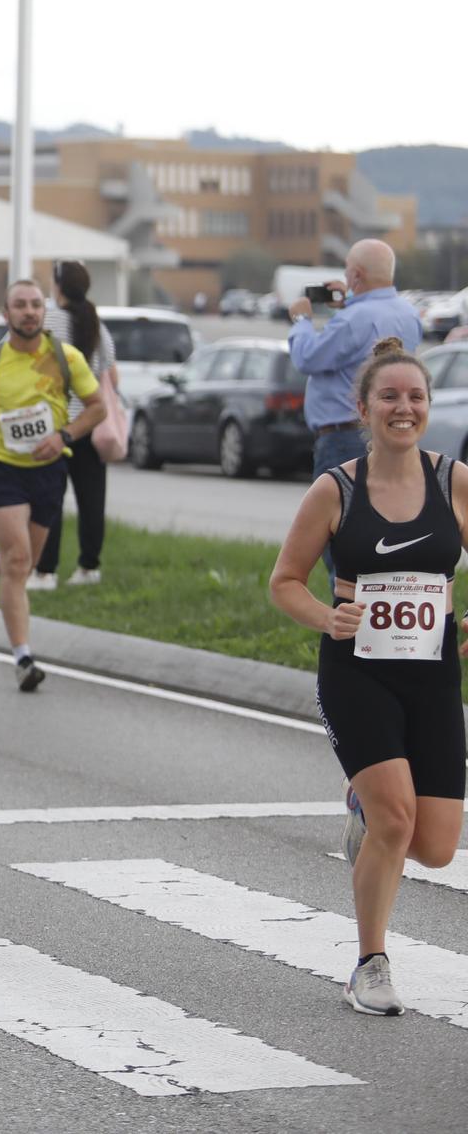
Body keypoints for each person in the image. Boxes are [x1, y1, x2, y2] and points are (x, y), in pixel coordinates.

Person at [268, 337, 464, 1017]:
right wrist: (328, 616)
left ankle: (362, 802)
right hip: (358, 673)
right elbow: (284, 581)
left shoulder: (453, 481)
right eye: (389, 396)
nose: (403, 408)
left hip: (435, 673)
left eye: (415, 397)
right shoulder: (337, 488)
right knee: (396, 819)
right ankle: (369, 964)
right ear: (363, 408)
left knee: (436, 846)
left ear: (428, 407)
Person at [0, 279, 105, 693]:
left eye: (36, 305)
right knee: (19, 561)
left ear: (44, 312)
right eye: (21, 305)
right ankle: (23, 657)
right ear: (6, 313)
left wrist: (64, 436)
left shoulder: (66, 358)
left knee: (23, 564)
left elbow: (97, 407)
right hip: (2, 470)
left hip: (49, 470)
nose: (30, 312)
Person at [287, 239, 423, 581]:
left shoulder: (354, 318)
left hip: (342, 436)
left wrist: (303, 319)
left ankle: (346, 619)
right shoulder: (407, 314)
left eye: (349, 275)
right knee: (377, 531)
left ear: (357, 275)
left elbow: (309, 357)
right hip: (390, 436)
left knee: (339, 539)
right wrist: (343, 306)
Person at [33, 261, 118, 590]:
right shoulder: (95, 320)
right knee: (92, 499)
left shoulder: (49, 319)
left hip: (55, 425)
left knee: (49, 499)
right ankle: (89, 567)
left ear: (58, 286)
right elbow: (109, 365)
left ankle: (46, 570)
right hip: (92, 423)